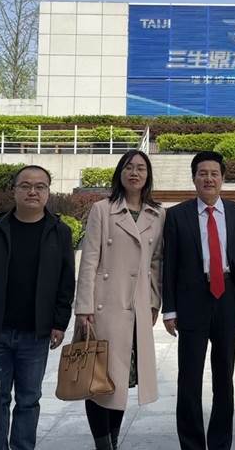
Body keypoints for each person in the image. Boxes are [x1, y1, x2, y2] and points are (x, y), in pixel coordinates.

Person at [0, 165, 75, 450]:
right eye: (25, 185)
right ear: (14, 191)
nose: (32, 191)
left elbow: (66, 282)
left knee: (29, 399)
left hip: (35, 334)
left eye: (40, 186)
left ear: (48, 192)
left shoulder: (59, 232)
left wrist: (59, 322)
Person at [162, 150, 235, 450]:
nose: (209, 179)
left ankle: (220, 443)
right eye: (203, 173)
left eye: (214, 173)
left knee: (224, 377)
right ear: (194, 178)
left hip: (228, 298)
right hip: (192, 300)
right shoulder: (177, 215)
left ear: (223, 178)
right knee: (189, 378)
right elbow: (169, 265)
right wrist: (169, 309)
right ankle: (191, 444)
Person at [74, 150, 165, 450]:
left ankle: (113, 440)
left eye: (141, 168)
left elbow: (155, 262)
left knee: (122, 380)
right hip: (105, 306)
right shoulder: (102, 210)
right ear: (120, 173)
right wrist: (84, 308)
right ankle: (104, 444)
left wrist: (153, 302)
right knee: (99, 378)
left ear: (148, 176)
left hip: (137, 307)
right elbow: (89, 260)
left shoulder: (157, 214)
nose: (134, 173)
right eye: (129, 167)